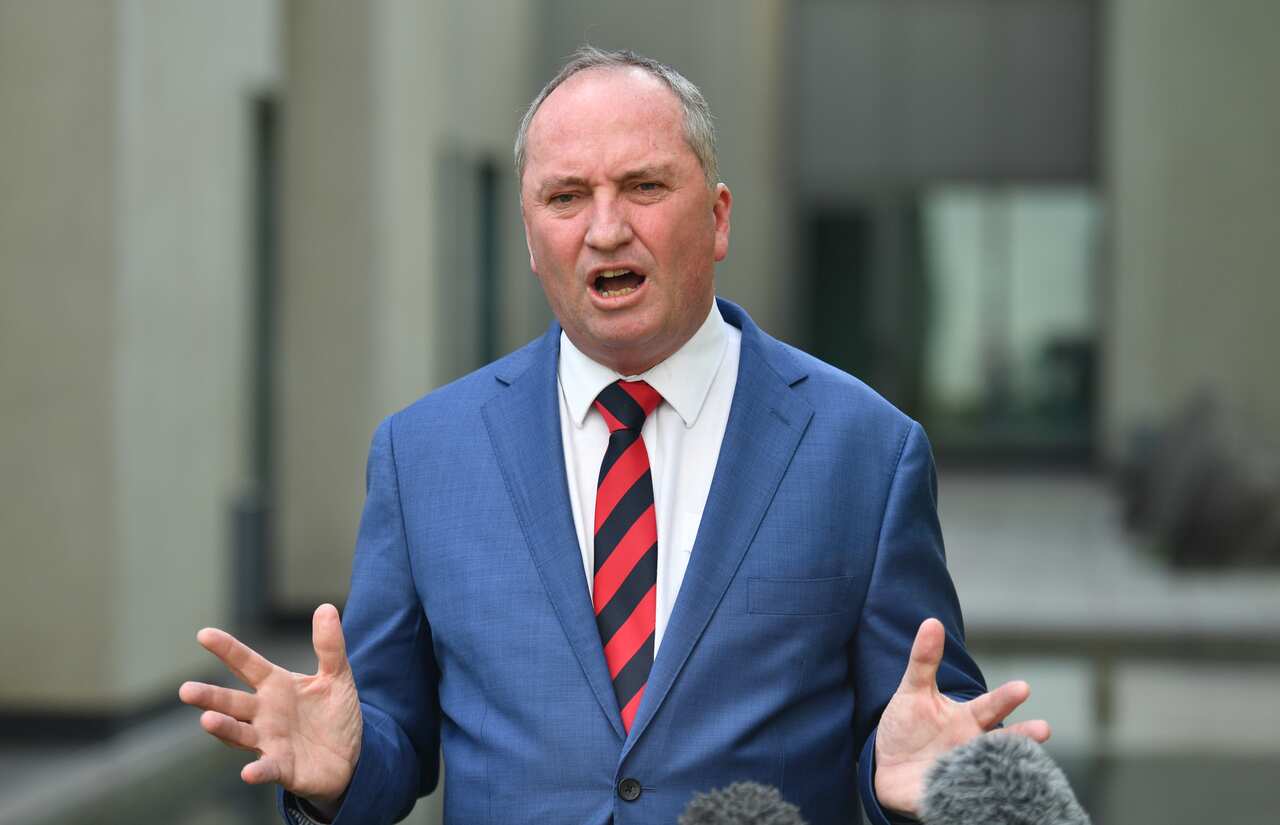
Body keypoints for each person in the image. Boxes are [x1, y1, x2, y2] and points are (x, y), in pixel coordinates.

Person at [179, 46, 1049, 825]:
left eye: (643, 186)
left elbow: (918, 730)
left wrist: (922, 790)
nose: (604, 227)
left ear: (716, 217)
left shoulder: (866, 448)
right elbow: (393, 743)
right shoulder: (423, 455)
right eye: (566, 196)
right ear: (529, 237)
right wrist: (340, 774)